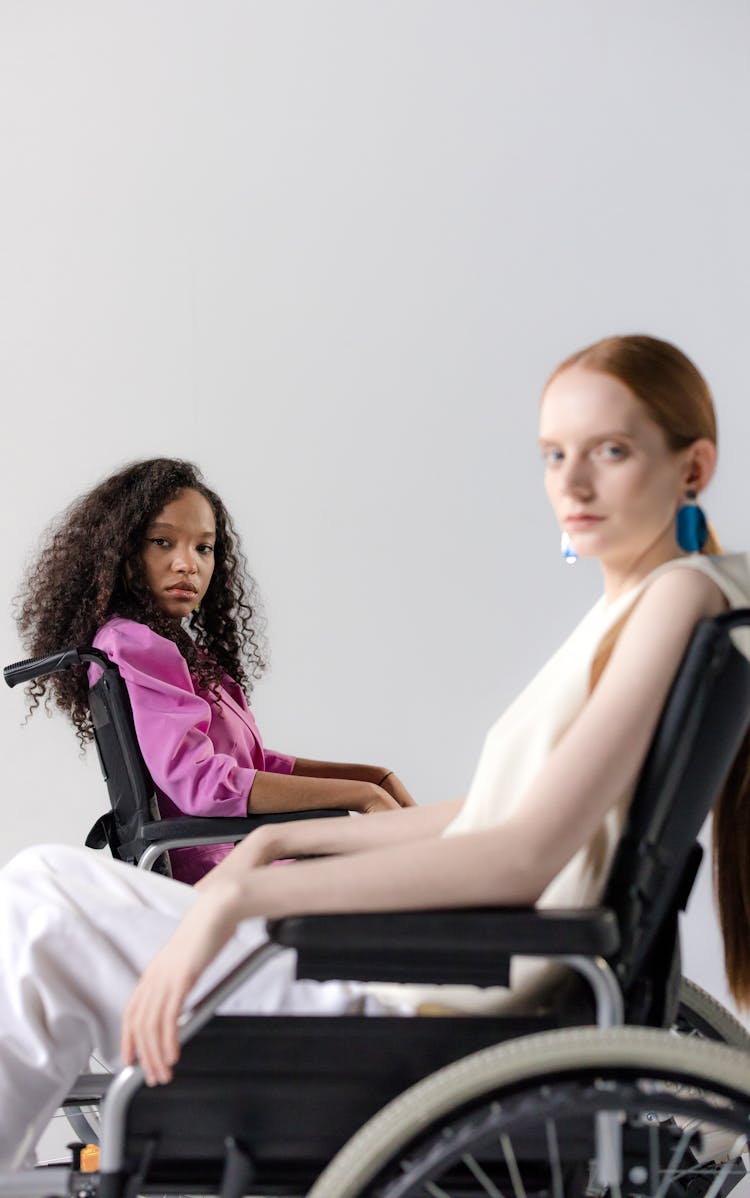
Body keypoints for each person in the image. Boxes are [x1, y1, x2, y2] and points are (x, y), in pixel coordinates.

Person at [2, 333, 750, 1170]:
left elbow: (520, 855)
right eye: (553, 453)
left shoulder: (675, 596)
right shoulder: (645, 603)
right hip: (431, 960)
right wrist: (286, 841)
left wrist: (230, 902)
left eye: (610, 451)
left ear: (693, 467)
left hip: (421, 988)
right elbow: (501, 815)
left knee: (40, 908)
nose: (570, 483)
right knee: (40, 889)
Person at [14, 459, 414, 883]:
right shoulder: (135, 644)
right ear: (126, 554)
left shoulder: (175, 651)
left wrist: (369, 778)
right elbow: (201, 781)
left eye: (204, 548)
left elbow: (246, 765)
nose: (188, 564)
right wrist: (360, 796)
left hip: (247, 856)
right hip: (226, 872)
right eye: (163, 542)